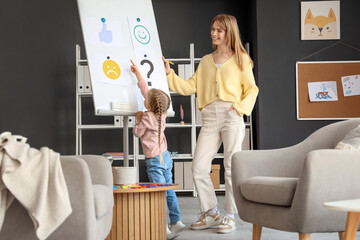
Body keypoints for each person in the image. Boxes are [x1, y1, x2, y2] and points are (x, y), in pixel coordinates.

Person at [163, 14, 259, 234]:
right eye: (212, 29)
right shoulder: (206, 61)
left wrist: (239, 109)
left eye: (219, 30)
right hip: (208, 117)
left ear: (229, 32)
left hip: (232, 115)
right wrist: (169, 73)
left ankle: (230, 216)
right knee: (198, 167)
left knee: (230, 167)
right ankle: (211, 212)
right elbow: (188, 87)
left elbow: (252, 89)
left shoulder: (241, 59)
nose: (214, 34)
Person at [130, 60, 186, 239]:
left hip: (154, 159)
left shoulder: (146, 117)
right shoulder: (161, 114)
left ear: (147, 106)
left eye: (145, 101)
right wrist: (138, 74)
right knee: (168, 189)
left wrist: (138, 118)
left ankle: (163, 227)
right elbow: (147, 91)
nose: (144, 99)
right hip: (166, 157)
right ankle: (176, 221)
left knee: (158, 193)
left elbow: (137, 133)